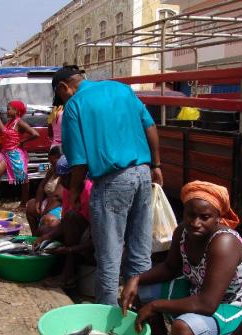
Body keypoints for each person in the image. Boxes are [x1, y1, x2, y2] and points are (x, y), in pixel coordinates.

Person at [121, 180, 242, 335]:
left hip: (234, 306)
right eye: (190, 215)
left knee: (182, 329)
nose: (196, 223)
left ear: (218, 218)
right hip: (199, 292)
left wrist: (155, 306)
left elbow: (207, 304)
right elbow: (170, 267)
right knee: (141, 292)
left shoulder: (224, 243)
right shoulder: (182, 232)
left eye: (205, 217)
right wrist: (135, 280)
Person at [54, 65, 163, 306]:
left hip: (111, 180)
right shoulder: (122, 89)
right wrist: (156, 165)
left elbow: (79, 159)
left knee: (109, 256)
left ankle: (107, 319)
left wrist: (73, 191)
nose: (63, 101)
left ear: (64, 87)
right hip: (142, 174)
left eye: (60, 96)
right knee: (140, 250)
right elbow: (150, 126)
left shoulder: (74, 105)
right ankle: (143, 314)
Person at [34, 155, 94, 288]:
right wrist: (45, 236)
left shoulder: (91, 191)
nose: (63, 181)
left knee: (72, 217)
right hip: (78, 234)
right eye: (61, 177)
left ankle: (69, 274)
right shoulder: (68, 191)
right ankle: (59, 267)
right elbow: (64, 223)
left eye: (67, 177)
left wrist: (70, 250)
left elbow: (99, 236)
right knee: (44, 229)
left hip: (94, 241)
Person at [0, 100, 39, 208]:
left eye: (9, 109)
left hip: (15, 154)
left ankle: (24, 203)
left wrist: (22, 142)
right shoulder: (10, 122)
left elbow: (35, 134)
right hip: (6, 153)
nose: (7, 111)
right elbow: (3, 131)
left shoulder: (19, 122)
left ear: (16, 111)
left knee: (23, 178)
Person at [25, 145, 63, 236]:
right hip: (48, 203)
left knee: (47, 219)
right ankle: (35, 236)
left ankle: (43, 238)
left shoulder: (65, 172)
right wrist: (38, 202)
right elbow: (42, 186)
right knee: (31, 205)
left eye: (54, 163)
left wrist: (44, 213)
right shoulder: (51, 171)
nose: (52, 166)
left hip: (60, 206)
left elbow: (56, 198)